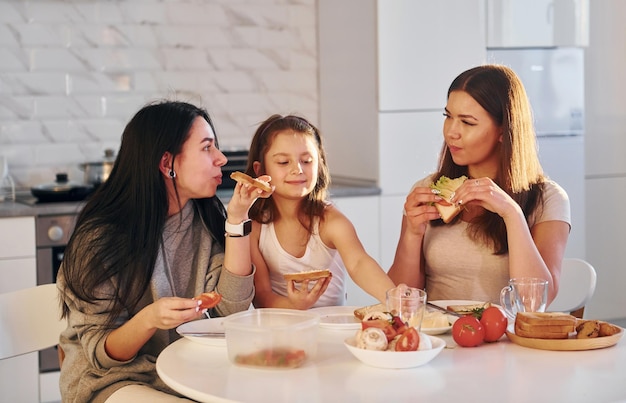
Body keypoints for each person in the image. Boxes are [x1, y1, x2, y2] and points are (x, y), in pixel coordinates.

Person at [57, 100, 271, 402]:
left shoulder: (204, 218)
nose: (222, 158)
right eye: (207, 148)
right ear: (167, 163)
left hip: (188, 370)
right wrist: (149, 319)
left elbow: (229, 310)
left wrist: (237, 219)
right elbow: (100, 355)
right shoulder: (100, 238)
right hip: (113, 380)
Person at [387, 65, 571, 306]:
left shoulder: (548, 198)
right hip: (438, 340)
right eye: (448, 116)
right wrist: (412, 233)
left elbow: (534, 301)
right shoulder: (427, 189)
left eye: (468, 122)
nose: (451, 132)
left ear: (504, 131)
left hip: (507, 340)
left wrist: (511, 213)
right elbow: (400, 300)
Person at [245, 114, 396, 310]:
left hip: (330, 329)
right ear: (260, 170)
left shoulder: (330, 221)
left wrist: (395, 299)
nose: (297, 169)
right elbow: (262, 296)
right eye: (283, 162)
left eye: (307, 161)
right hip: (279, 328)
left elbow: (359, 263)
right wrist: (295, 306)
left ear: (319, 164)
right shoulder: (254, 226)